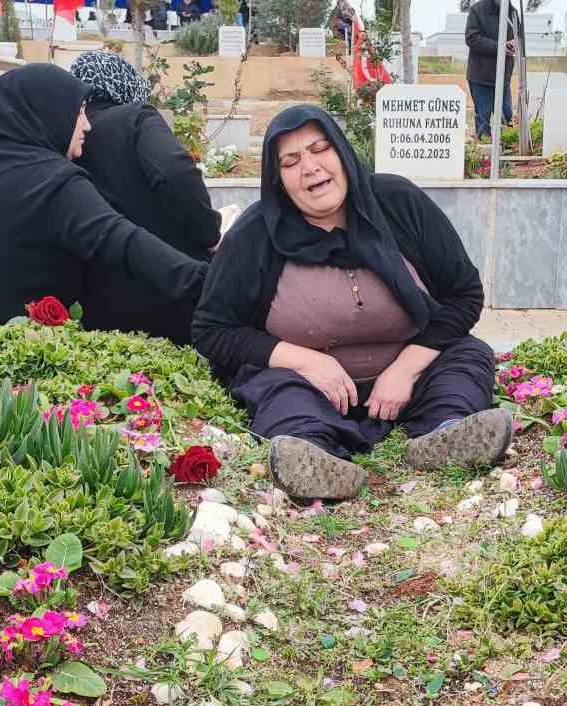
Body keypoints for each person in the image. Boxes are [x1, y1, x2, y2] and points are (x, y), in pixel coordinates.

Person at [193, 106, 514, 502]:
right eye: (290, 161)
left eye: (319, 148)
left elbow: (464, 295)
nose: (309, 167)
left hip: (409, 371)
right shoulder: (257, 233)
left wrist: (405, 369)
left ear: (342, 152)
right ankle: (313, 455)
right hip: (306, 382)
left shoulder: (398, 203)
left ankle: (445, 434)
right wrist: (305, 361)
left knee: (466, 355)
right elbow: (211, 330)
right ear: (277, 178)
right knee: (276, 390)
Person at [0, 64, 206, 341]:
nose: (87, 125)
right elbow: (125, 242)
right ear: (48, 112)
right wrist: (210, 283)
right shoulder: (50, 181)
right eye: (79, 111)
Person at [68, 50, 219, 344]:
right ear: (124, 83)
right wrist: (209, 232)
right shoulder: (135, 118)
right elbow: (175, 172)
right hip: (170, 284)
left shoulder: (64, 134)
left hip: (99, 299)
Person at [464, 0, 523, 141]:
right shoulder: (477, 10)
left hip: (503, 76)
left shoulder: (512, 12)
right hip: (481, 77)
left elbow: (518, 36)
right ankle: (484, 157)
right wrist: (499, 47)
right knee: (483, 120)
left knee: (506, 116)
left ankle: (505, 150)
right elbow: (472, 38)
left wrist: (515, 43)